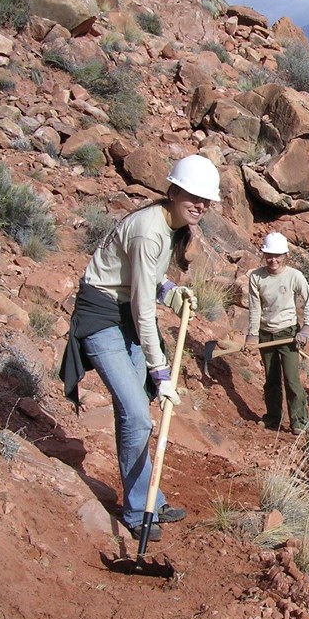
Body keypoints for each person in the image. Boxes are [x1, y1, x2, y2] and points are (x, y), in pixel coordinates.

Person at [60, 154, 221, 542]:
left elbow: (143, 280)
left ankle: (148, 497)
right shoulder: (151, 230)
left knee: (134, 416)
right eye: (192, 196)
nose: (200, 204)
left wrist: (172, 291)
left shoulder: (171, 225)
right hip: (102, 316)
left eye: (206, 199)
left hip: (122, 310)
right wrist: (159, 371)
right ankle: (138, 511)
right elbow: (141, 308)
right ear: (173, 191)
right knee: (138, 414)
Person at [244, 232, 309, 435]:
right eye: (269, 255)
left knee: (292, 379)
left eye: (277, 256)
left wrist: (307, 328)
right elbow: (255, 308)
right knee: (271, 378)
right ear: (264, 255)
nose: (273, 260)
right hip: (266, 332)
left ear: (284, 255)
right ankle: (273, 418)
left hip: (288, 334)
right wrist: (252, 335)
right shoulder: (256, 277)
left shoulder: (294, 276)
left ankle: (300, 422)